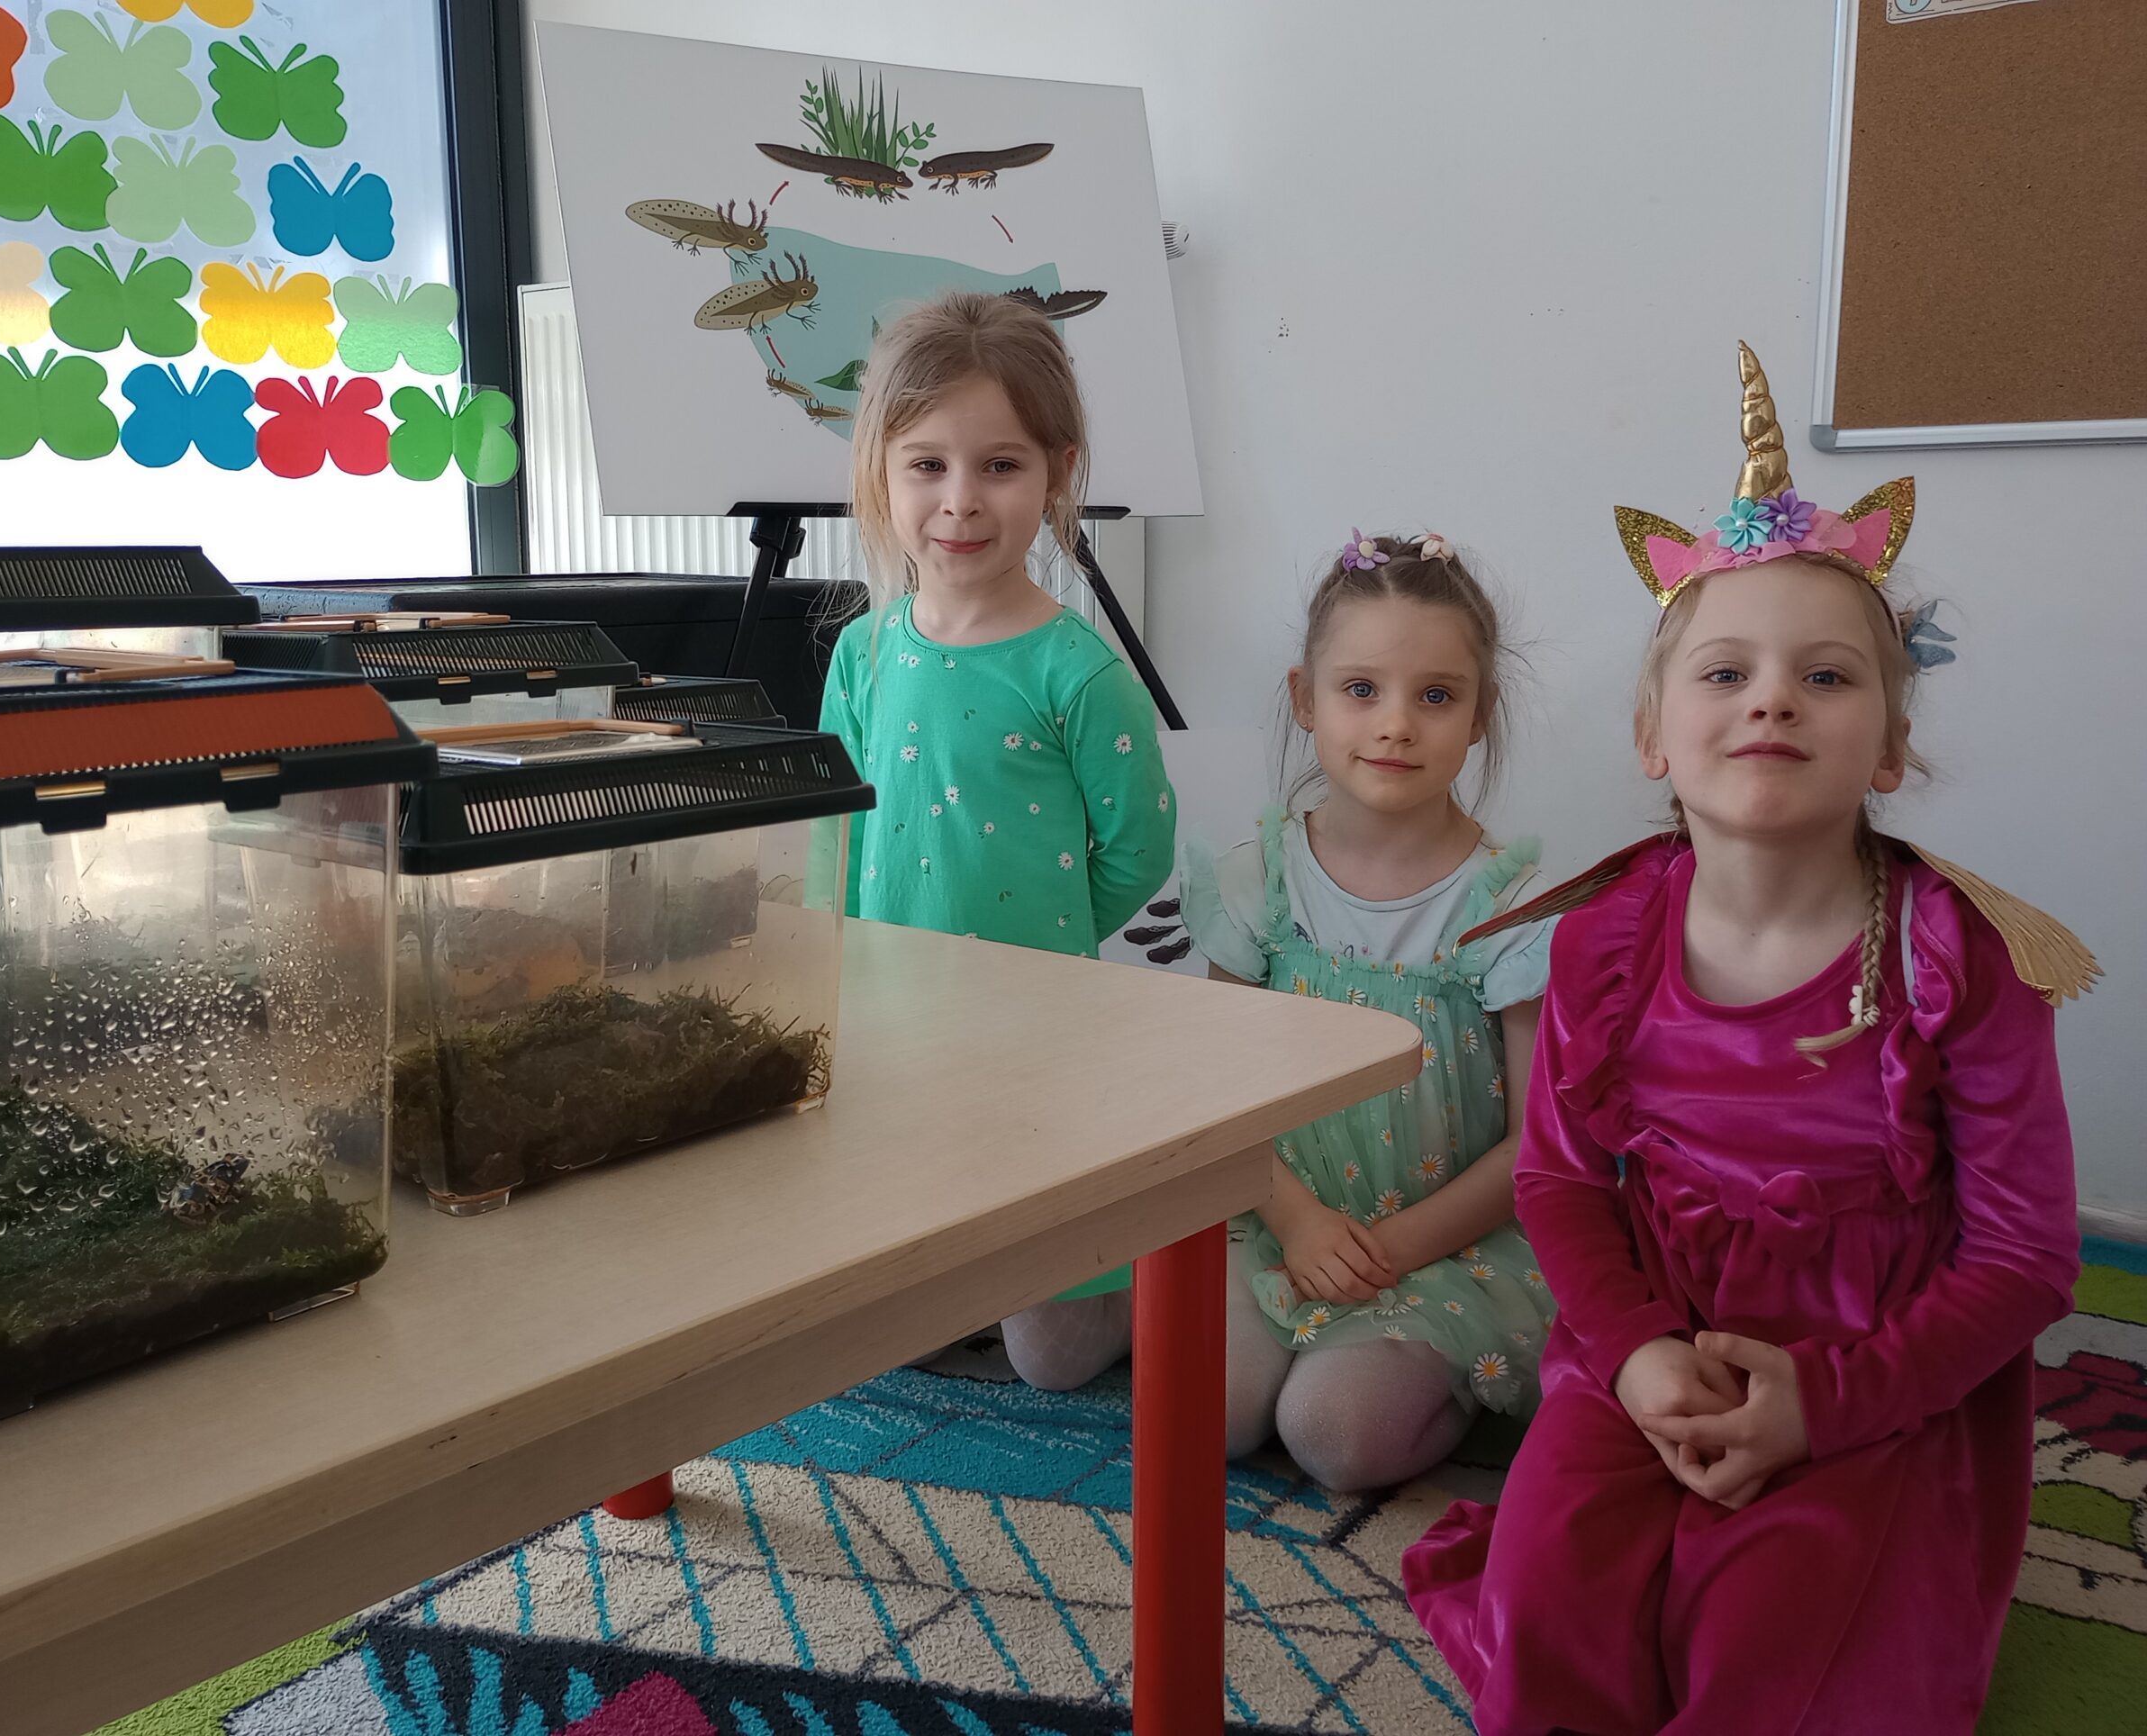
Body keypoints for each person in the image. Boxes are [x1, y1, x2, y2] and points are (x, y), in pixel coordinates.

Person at [1402, 343, 2097, 1732]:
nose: (1773, 699)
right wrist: (1640, 1357)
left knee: (1791, 1662)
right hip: (1647, 1345)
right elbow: (1560, 1182)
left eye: (1826, 677)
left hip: (1881, 1372)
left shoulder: (1958, 961)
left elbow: (2026, 1260)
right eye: (1726, 672)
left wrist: (1825, 1406)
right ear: (1653, 736)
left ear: (1890, 747)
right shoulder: (1603, 942)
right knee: (1554, 1614)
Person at [820, 290, 1176, 1390]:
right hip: (895, 1029)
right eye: (927, 464)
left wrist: (1044, 941)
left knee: (1053, 1359)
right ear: (880, 470)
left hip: (1036, 1035)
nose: (961, 499)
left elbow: (1138, 847)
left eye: (1000, 466)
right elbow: (834, 835)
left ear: (1057, 473)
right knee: (898, 1319)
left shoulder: (1080, 672)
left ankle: (1139, 1257)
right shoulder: (862, 653)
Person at [1181, 529, 1556, 1490]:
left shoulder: (1512, 910)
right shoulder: (1257, 882)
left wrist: (1386, 1250)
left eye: (1435, 696)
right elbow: (1215, 1095)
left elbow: (1534, 1145)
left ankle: (1441, 1380)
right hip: (1272, 1208)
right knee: (1203, 1414)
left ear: (1480, 714)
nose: (1395, 725)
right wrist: (1300, 1222)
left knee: (1334, 1433)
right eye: (1360, 689)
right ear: (1304, 699)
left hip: (1443, 1244)